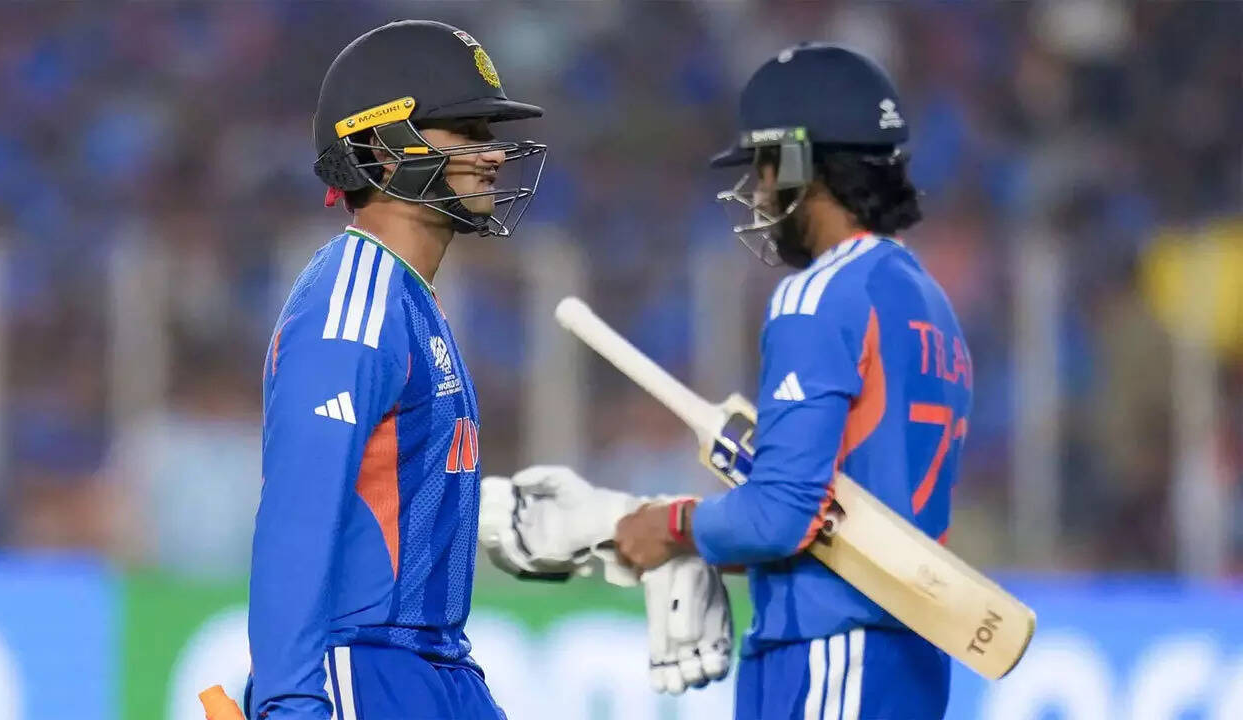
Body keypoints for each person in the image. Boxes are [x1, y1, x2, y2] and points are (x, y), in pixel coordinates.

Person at [488, 44, 967, 720]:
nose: (761, 194)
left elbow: (785, 513)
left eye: (765, 169)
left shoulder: (820, 295)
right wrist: (700, 543)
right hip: (909, 655)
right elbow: (844, 517)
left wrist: (669, 526)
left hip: (830, 648)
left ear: (797, 163)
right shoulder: (929, 301)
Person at [246, 19, 547, 720]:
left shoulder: (407, 295)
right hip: (364, 666)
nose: (492, 154)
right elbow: (296, 521)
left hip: (438, 666)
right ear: (382, 150)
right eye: (466, 131)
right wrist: (289, 704)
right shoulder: (351, 299)